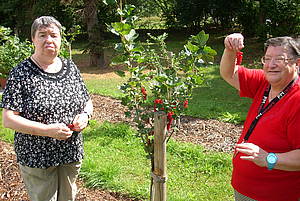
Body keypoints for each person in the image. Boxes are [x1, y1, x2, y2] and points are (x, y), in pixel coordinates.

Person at [0, 16, 93, 201]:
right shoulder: (21, 72)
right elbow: (9, 119)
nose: (49, 40)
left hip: (70, 152)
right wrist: (47, 131)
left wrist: (85, 115)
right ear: (33, 39)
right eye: (42, 35)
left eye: (54, 35)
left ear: (60, 40)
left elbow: (87, 100)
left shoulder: (70, 67)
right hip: (37, 156)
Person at [220, 33, 300, 201]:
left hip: (275, 194)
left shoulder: (297, 100)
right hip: (244, 189)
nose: (271, 65)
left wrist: (268, 158)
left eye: (279, 59)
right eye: (267, 58)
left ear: (297, 63)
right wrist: (230, 49)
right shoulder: (265, 82)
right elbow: (228, 73)